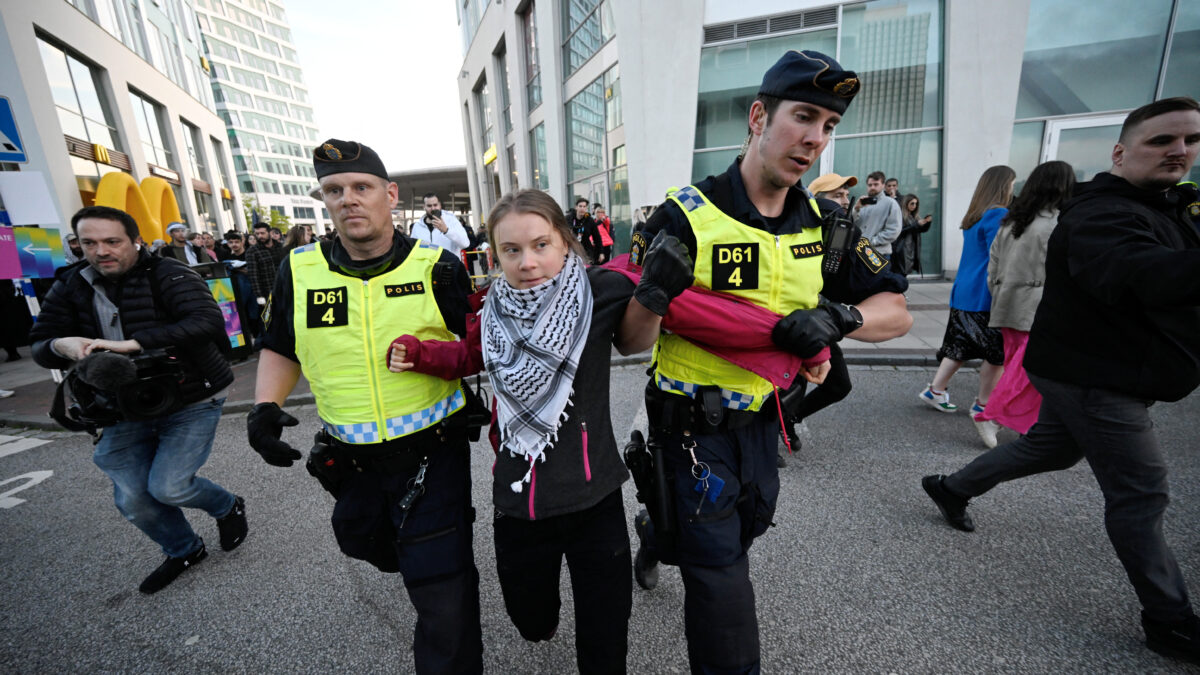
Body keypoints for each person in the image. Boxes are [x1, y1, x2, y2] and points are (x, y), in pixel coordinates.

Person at [621, 50, 912, 674]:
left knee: (742, 531)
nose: (814, 139)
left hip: (765, 425)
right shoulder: (686, 214)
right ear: (758, 117)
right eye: (803, 117)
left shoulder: (830, 224)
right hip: (690, 430)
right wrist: (651, 294)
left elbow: (897, 311)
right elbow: (630, 341)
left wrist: (843, 318)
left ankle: (654, 532)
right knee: (723, 584)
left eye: (828, 126)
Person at [922, 97, 1200, 666]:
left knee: (1050, 447)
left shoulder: (1163, 206)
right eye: (1162, 141)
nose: (1181, 151)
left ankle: (952, 486)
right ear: (1120, 153)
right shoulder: (1096, 215)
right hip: (1092, 371)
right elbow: (1139, 275)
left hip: (1065, 348)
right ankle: (1169, 619)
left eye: (1192, 141)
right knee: (1141, 492)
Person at [390, 188, 663, 673]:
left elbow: (667, 316)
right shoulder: (490, 311)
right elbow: (469, 356)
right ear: (494, 254)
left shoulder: (599, 292)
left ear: (564, 242)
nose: (528, 262)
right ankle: (541, 618)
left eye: (540, 245)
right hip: (520, 499)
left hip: (594, 495)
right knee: (532, 622)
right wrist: (420, 354)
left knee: (605, 639)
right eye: (511, 250)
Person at [246, 139, 481, 673]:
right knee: (358, 539)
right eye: (334, 190)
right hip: (350, 460)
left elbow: (474, 349)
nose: (348, 199)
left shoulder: (439, 267)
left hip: (433, 452)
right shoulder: (298, 269)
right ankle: (413, 552)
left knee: (442, 596)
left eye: (361, 187)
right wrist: (264, 408)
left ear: (390, 196)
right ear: (324, 201)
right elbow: (281, 346)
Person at [29, 205, 246, 594]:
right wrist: (61, 344)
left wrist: (132, 344)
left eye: (112, 241)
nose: (100, 251)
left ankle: (227, 506)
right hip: (118, 407)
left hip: (192, 397)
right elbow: (41, 343)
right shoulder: (70, 283)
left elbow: (208, 322)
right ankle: (183, 549)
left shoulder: (172, 273)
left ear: (135, 240)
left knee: (170, 486)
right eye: (89, 243)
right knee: (134, 498)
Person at [974, 161, 1075, 439]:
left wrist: (1000, 292)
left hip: (1008, 303)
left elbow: (992, 265)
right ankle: (991, 416)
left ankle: (1024, 423)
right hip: (1037, 307)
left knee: (1017, 368)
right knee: (1027, 371)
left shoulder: (1013, 220)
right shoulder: (1056, 224)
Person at [918, 165, 1014, 448]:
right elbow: (1001, 256)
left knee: (959, 346)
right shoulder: (999, 215)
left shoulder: (974, 216)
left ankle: (935, 390)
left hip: (964, 291)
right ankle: (982, 405)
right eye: (1011, 184)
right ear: (1003, 186)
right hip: (984, 294)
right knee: (996, 354)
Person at [853, 170, 903, 257]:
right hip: (860, 252)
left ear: (883, 185)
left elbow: (894, 230)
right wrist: (856, 209)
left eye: (876, 184)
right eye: (870, 185)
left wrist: (871, 241)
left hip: (879, 253)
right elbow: (853, 225)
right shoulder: (862, 202)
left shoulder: (890, 203)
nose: (872, 187)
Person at [410, 193, 471, 260]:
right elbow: (413, 249)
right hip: (427, 268)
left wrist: (446, 230)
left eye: (435, 205)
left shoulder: (451, 220)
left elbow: (465, 244)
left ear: (440, 205)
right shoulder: (417, 226)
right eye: (429, 206)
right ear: (424, 207)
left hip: (449, 267)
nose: (433, 208)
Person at [246, 221, 285, 314]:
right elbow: (253, 275)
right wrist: (259, 296)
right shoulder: (252, 251)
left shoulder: (281, 247)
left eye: (262, 233)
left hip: (285, 289)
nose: (260, 236)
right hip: (268, 292)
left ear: (269, 232)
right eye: (257, 234)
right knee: (274, 324)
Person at [892, 194, 933, 276]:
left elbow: (921, 230)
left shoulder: (913, 216)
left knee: (904, 274)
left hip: (911, 249)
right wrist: (916, 224)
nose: (914, 206)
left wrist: (927, 222)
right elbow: (899, 231)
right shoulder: (899, 215)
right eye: (912, 203)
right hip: (901, 249)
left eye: (916, 204)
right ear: (906, 203)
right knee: (901, 274)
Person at [566, 197, 603, 263]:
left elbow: (597, 238)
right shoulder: (568, 219)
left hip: (586, 251)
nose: (582, 208)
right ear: (576, 207)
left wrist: (601, 253)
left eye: (584, 206)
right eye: (580, 206)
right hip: (571, 250)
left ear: (586, 208)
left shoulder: (589, 220)